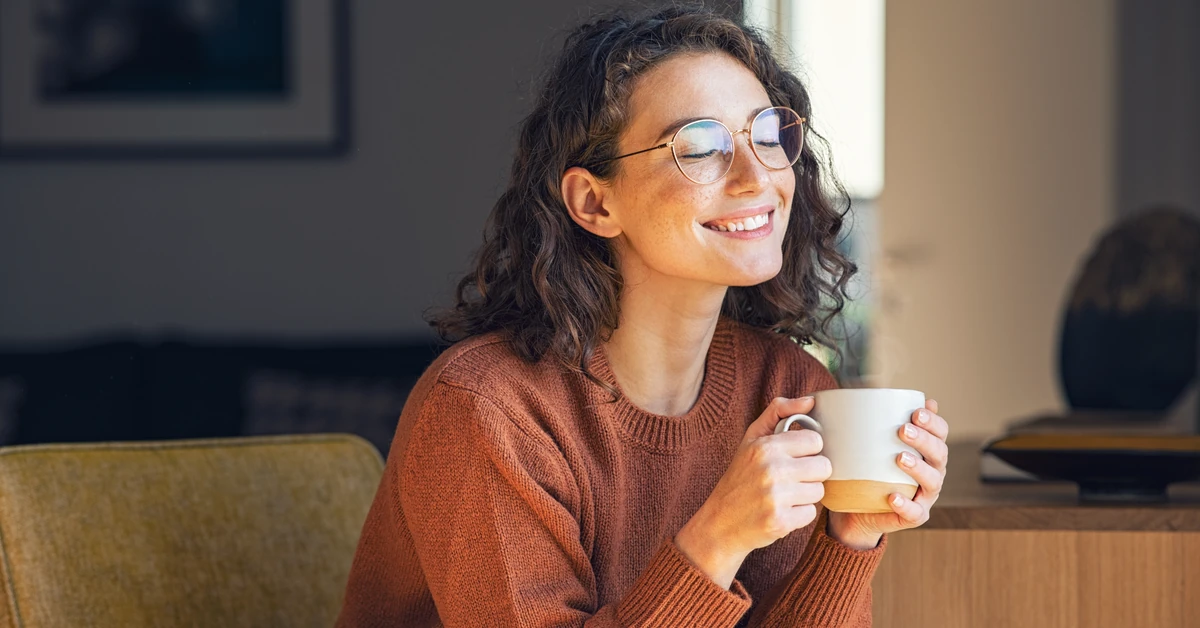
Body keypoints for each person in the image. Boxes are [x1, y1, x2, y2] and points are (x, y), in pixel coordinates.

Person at [337, 5, 949, 627]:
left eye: (767, 134)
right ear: (595, 202)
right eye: (700, 147)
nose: (756, 175)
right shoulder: (486, 410)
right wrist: (716, 538)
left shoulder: (789, 389)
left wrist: (849, 540)